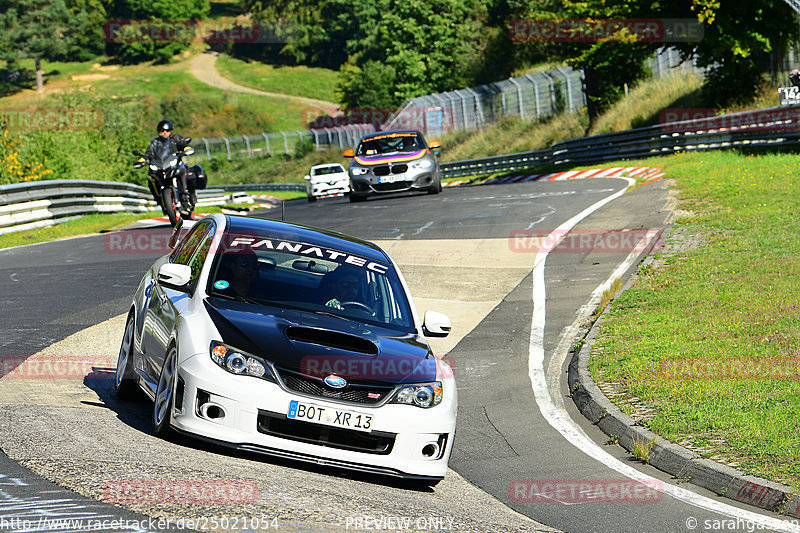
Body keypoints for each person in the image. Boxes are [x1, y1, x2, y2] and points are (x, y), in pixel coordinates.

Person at [144, 120, 192, 215]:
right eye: (162, 131)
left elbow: (183, 144)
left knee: (183, 171)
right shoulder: (155, 142)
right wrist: (143, 160)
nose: (165, 132)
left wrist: (186, 148)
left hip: (175, 165)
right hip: (162, 167)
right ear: (159, 131)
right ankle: (161, 201)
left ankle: (185, 196)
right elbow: (148, 153)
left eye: (167, 130)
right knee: (151, 179)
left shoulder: (175, 138)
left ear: (171, 131)